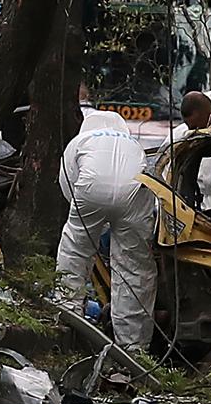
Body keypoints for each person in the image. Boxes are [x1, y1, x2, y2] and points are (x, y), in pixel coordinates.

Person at [56, 111, 156, 351]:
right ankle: (134, 348)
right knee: (134, 269)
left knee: (75, 254)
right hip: (135, 193)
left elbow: (67, 185)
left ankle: (68, 322)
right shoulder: (132, 143)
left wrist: (89, 224)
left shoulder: (79, 142)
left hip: (90, 189)